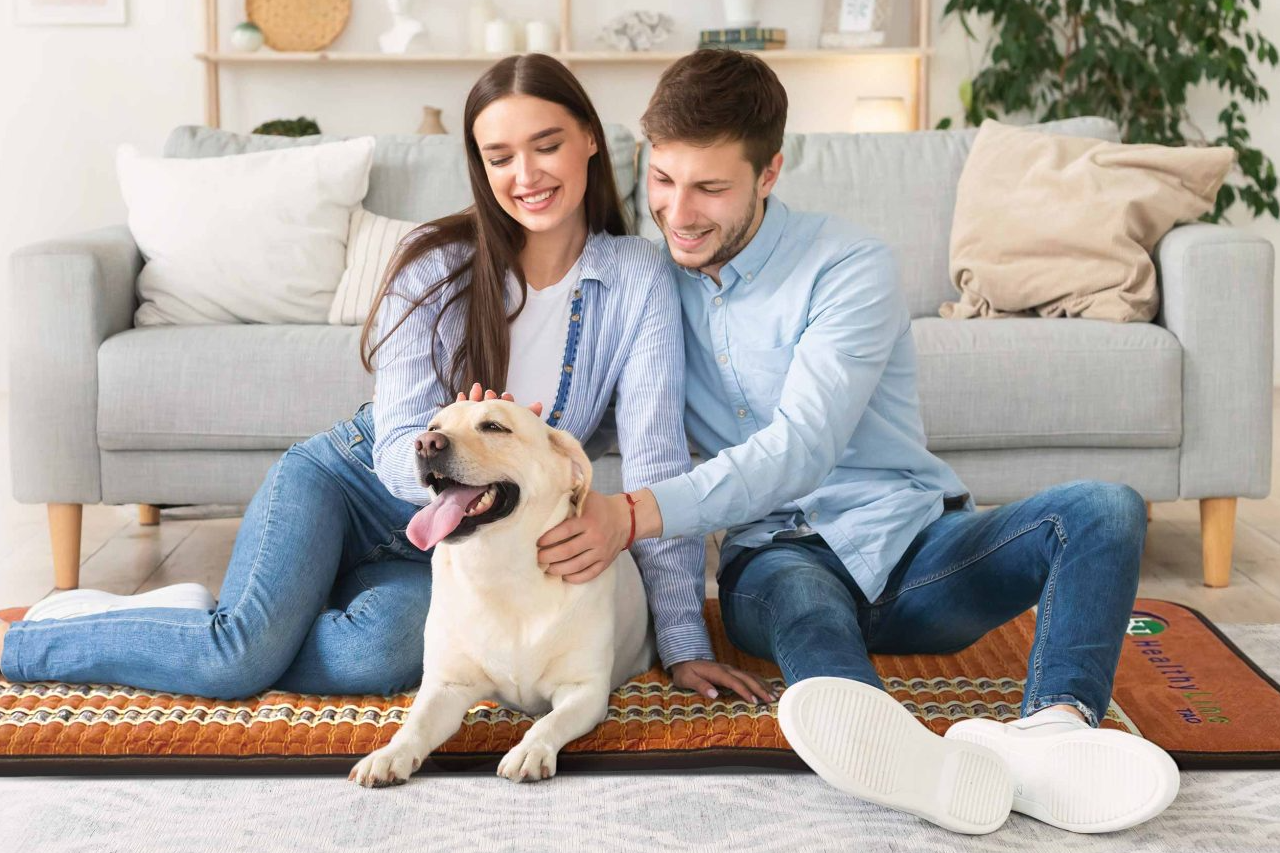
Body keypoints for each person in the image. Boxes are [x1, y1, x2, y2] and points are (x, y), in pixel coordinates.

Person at [536, 48, 1180, 835]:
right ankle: (889, 743)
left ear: (769, 173)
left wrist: (632, 513)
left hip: (914, 551)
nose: (678, 211)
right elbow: (590, 397)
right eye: (662, 181)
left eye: (710, 187)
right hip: (773, 561)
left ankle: (1053, 733)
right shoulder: (646, 280)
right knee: (806, 604)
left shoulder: (848, 266)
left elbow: (804, 447)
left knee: (1106, 510)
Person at [0, 53, 774, 706]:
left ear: (591, 146)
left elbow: (655, 461)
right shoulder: (435, 267)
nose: (526, 174)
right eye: (499, 157)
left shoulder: (638, 277)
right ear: (479, 166)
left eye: (547, 145)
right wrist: (450, 446)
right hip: (353, 485)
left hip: (463, 540)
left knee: (384, 657)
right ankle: (43, 639)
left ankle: (241, 618)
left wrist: (679, 640)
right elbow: (399, 443)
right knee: (234, 660)